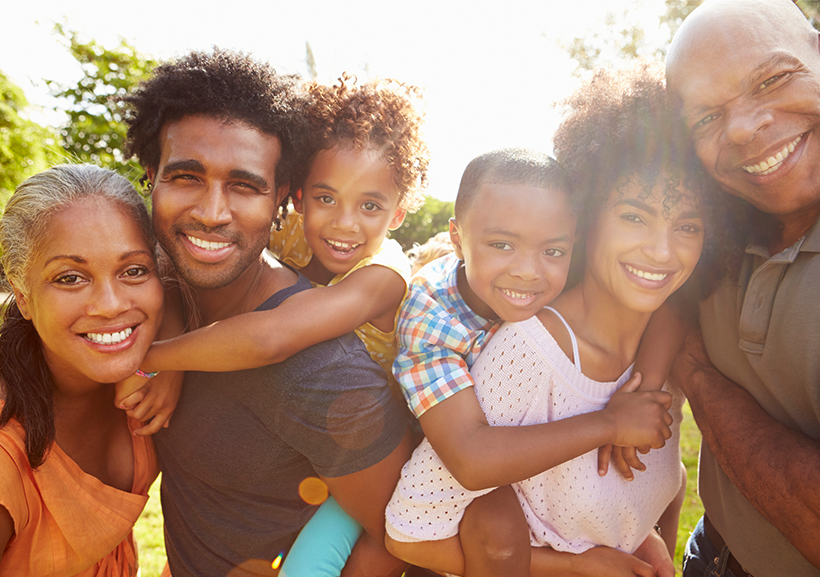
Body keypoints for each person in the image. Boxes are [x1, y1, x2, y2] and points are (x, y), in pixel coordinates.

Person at [386, 65, 706, 577]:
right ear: (591, 219)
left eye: (688, 225)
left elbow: (663, 487)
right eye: (633, 216)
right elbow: (414, 529)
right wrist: (577, 565)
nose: (662, 250)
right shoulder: (513, 347)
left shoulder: (667, 328)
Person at [120, 49, 413, 577]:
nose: (212, 212)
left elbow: (399, 535)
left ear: (278, 196)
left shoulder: (327, 365)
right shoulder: (156, 287)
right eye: (186, 176)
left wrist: (150, 360)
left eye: (244, 185)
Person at [665, 0, 820, 575]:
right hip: (711, 551)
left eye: (773, 79)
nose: (742, 128)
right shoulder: (710, 233)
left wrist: (698, 380)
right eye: (706, 118)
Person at [0, 164, 163, 576]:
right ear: (22, 295)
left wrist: (169, 363)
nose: (110, 304)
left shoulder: (152, 384)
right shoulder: (6, 455)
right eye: (71, 278)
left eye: (133, 270)